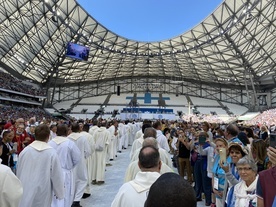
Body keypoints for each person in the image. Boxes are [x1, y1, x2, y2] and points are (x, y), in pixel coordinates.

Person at [17, 124, 65, 207]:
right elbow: (56, 175)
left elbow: (19, 170)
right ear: (48, 136)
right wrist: (60, 192)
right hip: (43, 189)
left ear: (35, 135)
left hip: (26, 187)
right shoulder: (51, 153)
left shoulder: (25, 151)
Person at [48, 124, 81, 207]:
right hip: (65, 173)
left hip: (51, 173)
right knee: (65, 196)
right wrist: (69, 167)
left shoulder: (50, 143)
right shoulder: (70, 143)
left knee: (53, 196)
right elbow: (77, 158)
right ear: (67, 132)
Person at [68, 123, 91, 207]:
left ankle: (71, 200)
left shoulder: (68, 138)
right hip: (80, 162)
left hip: (70, 163)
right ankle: (77, 200)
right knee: (82, 180)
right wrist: (84, 157)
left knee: (71, 181)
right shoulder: (83, 138)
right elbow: (88, 151)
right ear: (79, 129)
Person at [212, 138, 231, 207]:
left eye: (220, 146)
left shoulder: (230, 159)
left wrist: (226, 191)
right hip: (218, 192)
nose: (218, 148)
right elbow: (214, 174)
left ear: (226, 146)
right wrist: (214, 189)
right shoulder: (217, 157)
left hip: (227, 192)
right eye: (217, 146)